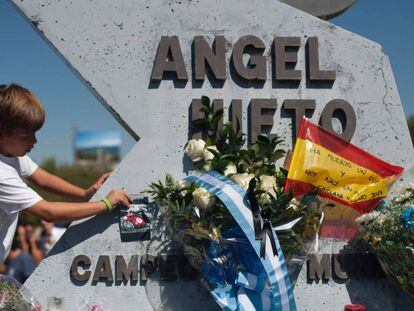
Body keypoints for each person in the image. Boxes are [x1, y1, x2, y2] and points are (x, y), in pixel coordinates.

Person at [0, 83, 132, 264]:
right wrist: (106, 204)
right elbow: (48, 211)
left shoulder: (11, 154)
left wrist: (86, 193)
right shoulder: (2, 174)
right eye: (26, 136)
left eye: (35, 133)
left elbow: (43, 179)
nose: (34, 140)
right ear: (2, 134)